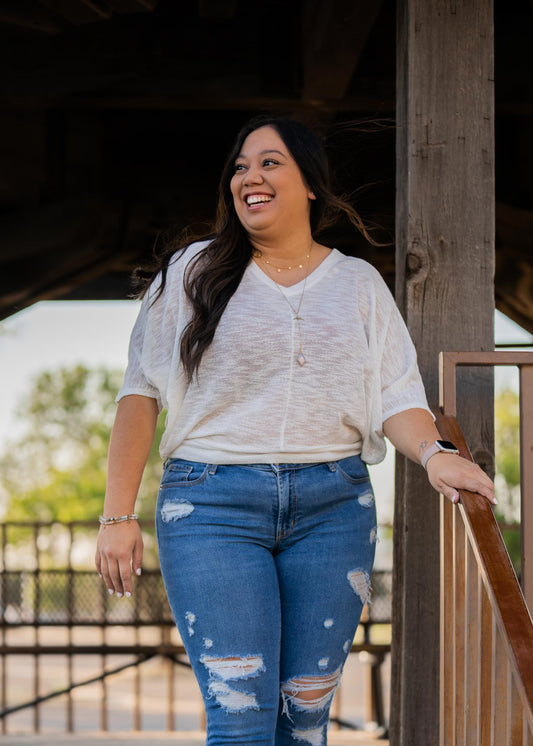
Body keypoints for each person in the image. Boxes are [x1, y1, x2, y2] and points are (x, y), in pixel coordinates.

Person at [95, 115, 495, 746]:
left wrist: (435, 454)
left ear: (310, 183)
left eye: (270, 162)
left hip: (334, 508)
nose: (249, 176)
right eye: (239, 166)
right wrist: (118, 517)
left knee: (306, 722)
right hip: (211, 506)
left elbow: (397, 396)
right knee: (241, 716)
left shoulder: (358, 283)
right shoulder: (192, 272)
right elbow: (139, 394)